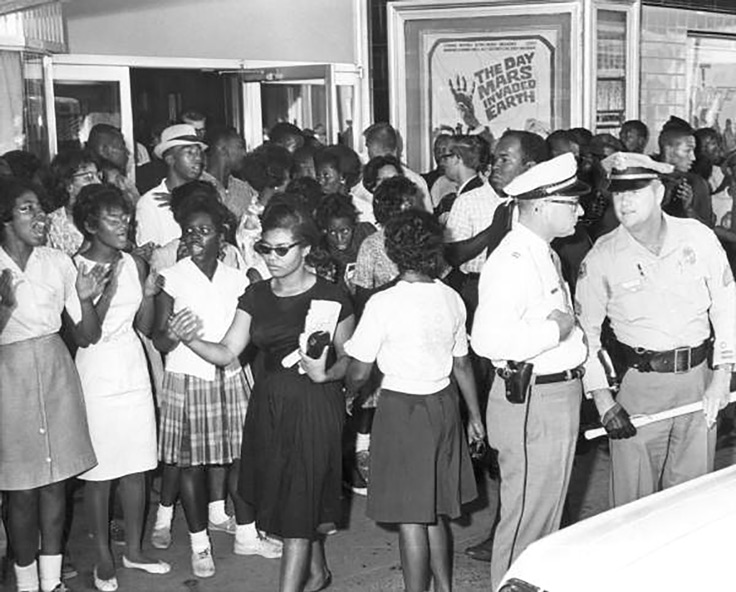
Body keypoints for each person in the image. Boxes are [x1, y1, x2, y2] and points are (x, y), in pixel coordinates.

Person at [169, 201, 354, 592]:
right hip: (268, 405)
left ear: (305, 248)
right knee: (290, 496)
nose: (271, 257)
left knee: (301, 497)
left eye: (281, 249)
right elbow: (226, 353)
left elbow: (352, 360)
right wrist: (190, 339)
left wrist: (325, 374)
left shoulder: (332, 295)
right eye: (265, 249)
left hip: (316, 405)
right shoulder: (255, 296)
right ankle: (317, 574)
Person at [575, 152, 736, 508]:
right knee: (634, 506)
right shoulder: (603, 255)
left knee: (692, 501)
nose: (625, 201)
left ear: (659, 193)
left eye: (635, 191)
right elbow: (585, 333)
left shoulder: (698, 236)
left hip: (699, 383)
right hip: (640, 387)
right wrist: (603, 400)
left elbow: (727, 306)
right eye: (618, 193)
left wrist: (723, 375)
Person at [345, 209, 484, 592]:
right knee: (435, 512)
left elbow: (358, 371)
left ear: (393, 251)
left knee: (411, 518)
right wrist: (474, 416)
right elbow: (462, 364)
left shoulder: (383, 303)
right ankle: (444, 587)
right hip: (444, 405)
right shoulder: (451, 298)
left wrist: (350, 392)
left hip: (403, 410)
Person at [471, 153, 589, 589]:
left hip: (553, 396)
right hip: (532, 399)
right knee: (526, 521)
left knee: (546, 517)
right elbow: (485, 341)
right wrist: (552, 330)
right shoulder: (514, 260)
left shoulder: (543, 253)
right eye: (570, 202)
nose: (578, 210)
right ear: (539, 205)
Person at [152, 189, 278, 578]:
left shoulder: (238, 280)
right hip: (188, 379)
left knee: (241, 459)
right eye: (189, 232)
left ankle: (245, 534)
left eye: (203, 231)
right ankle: (199, 544)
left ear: (220, 236)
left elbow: (250, 336)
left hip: (231, 375)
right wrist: (174, 334)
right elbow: (158, 339)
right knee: (192, 466)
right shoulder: (170, 279)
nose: (194, 239)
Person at [0, 177, 106, 592]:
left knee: (55, 485)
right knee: (21, 490)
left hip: (56, 372)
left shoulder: (58, 262)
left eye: (40, 208)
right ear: (5, 217)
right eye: (27, 209)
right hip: (10, 379)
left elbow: (85, 336)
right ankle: (27, 585)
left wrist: (87, 298)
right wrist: (5, 307)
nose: (40, 216)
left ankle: (51, 580)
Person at [69, 184, 168, 590]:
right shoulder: (73, 267)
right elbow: (86, 336)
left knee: (137, 467)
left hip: (132, 366)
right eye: (114, 219)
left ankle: (135, 550)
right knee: (101, 473)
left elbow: (142, 327)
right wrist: (98, 295)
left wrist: (146, 296)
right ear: (91, 225)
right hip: (96, 372)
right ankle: (104, 559)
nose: (124, 225)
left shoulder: (134, 262)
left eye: (126, 218)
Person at [443, 134, 506, 327]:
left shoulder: (523, 201)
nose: (498, 169)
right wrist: (496, 228)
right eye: (496, 164)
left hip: (512, 285)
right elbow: (454, 254)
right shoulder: (468, 202)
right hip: (476, 285)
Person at [135, 124, 207, 247]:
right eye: (189, 152)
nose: (198, 159)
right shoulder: (150, 203)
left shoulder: (205, 196)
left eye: (198, 153)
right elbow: (151, 256)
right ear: (170, 159)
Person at [362, 122, 432, 212]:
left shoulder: (364, 183)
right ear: (396, 149)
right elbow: (427, 219)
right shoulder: (417, 181)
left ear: (369, 148)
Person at [312, 193, 375, 293]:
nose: (339, 238)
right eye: (332, 233)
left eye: (345, 231)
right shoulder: (322, 251)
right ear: (324, 230)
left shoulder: (367, 234)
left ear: (354, 225)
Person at [47, 149, 101, 257]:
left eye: (99, 176)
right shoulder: (50, 225)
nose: (98, 182)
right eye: (89, 177)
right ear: (68, 185)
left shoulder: (106, 216)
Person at [201, 126, 256, 220]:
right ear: (222, 149)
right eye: (240, 147)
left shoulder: (244, 189)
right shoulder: (198, 187)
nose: (244, 154)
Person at [86, 124, 140, 207]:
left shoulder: (123, 182)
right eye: (122, 147)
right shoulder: (93, 189)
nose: (128, 152)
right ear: (104, 151)